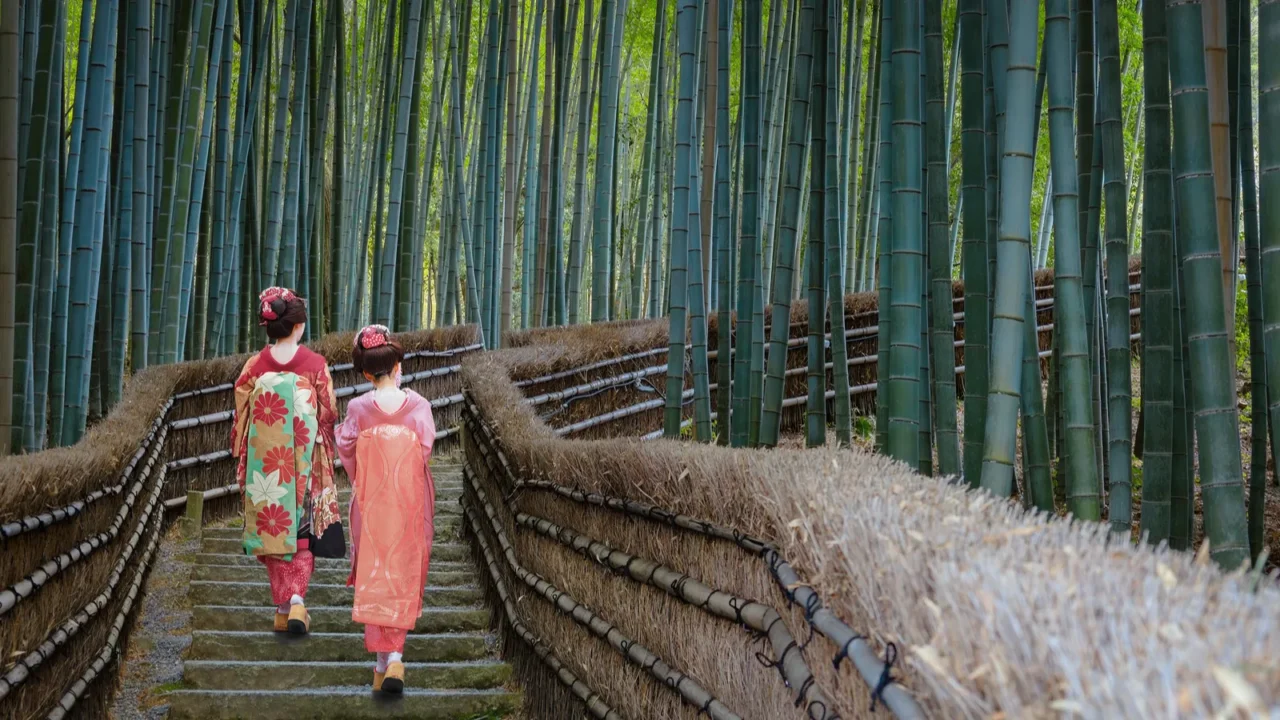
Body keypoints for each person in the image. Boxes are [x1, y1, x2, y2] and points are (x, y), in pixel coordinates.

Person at [230, 287, 340, 636]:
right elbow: (329, 414)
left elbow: (242, 415)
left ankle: (284, 605)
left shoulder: (254, 367)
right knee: (302, 533)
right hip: (304, 461)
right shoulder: (315, 366)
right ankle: (294, 603)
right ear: (296, 327)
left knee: (273, 530)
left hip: (266, 465)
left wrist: (245, 451)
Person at [336, 325, 437, 694]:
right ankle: (392, 659)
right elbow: (423, 450)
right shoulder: (420, 407)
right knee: (403, 571)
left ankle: (385, 663)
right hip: (409, 506)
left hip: (372, 506)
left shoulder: (358, 408)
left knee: (376, 573)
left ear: (365, 373)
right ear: (398, 366)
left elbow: (346, 449)